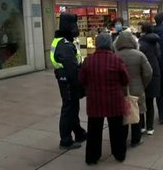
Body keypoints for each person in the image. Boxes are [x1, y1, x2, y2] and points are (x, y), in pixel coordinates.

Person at [79, 33, 130, 165]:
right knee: (117, 130)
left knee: (94, 131)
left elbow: (82, 79)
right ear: (110, 44)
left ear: (96, 44)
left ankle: (92, 157)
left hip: (95, 101)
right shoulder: (116, 60)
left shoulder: (88, 61)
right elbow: (125, 79)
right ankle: (119, 154)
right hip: (114, 100)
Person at [50, 13, 86, 150]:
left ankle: (79, 133)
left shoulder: (62, 41)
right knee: (68, 108)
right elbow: (72, 68)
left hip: (66, 78)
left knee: (73, 108)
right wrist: (81, 82)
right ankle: (65, 140)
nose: (76, 29)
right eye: (74, 26)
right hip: (68, 80)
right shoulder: (64, 45)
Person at [114, 31, 152, 147]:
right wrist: (142, 84)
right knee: (137, 113)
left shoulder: (115, 56)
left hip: (120, 89)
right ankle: (136, 139)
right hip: (137, 88)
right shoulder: (139, 55)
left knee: (123, 114)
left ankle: (123, 138)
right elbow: (148, 72)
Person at [138, 22, 161, 135]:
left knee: (141, 102)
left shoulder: (141, 43)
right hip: (154, 73)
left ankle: (141, 126)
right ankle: (150, 127)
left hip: (142, 74)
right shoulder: (155, 42)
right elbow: (158, 55)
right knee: (150, 102)